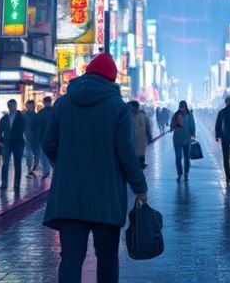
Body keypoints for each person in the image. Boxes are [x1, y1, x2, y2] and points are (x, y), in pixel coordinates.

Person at [43, 52, 147, 283]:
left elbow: (48, 144)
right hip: (106, 196)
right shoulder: (118, 107)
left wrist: (65, 164)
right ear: (112, 78)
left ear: (87, 72)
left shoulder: (63, 103)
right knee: (107, 259)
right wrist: (140, 188)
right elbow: (126, 154)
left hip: (70, 196)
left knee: (71, 259)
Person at [0, 99, 27, 191]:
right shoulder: (4, 118)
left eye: (13, 105)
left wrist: (26, 141)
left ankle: (16, 184)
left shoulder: (21, 117)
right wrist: (1, 141)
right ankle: (4, 183)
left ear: (16, 106)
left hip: (18, 143)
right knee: (5, 164)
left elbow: (26, 129)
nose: (12, 107)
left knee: (17, 164)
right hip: (7, 144)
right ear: (8, 107)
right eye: (10, 106)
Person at [170, 101, 196, 181]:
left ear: (185, 107)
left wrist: (193, 136)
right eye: (180, 106)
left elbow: (192, 126)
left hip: (187, 139)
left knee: (186, 157)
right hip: (177, 139)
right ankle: (179, 173)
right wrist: (175, 125)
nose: (181, 108)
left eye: (183, 106)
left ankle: (186, 173)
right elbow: (171, 126)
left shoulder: (189, 115)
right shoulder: (175, 115)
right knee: (178, 157)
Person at [30, 96, 54, 179]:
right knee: (54, 155)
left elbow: (35, 127)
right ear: (50, 102)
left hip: (43, 137)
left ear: (44, 103)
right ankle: (54, 170)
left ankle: (46, 171)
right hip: (54, 137)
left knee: (44, 155)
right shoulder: (55, 112)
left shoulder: (40, 113)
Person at [128, 100, 151, 169]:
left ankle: (141, 163)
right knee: (133, 154)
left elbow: (147, 126)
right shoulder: (127, 116)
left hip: (141, 139)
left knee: (141, 152)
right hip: (131, 140)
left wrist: (149, 136)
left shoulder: (143, 116)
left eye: (134, 107)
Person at [24, 99, 41, 176]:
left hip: (35, 137)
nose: (29, 107)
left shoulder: (36, 115)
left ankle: (34, 167)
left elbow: (38, 127)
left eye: (31, 106)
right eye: (28, 106)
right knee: (29, 153)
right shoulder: (24, 115)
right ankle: (30, 168)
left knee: (36, 153)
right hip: (28, 137)